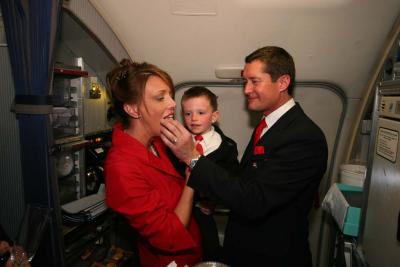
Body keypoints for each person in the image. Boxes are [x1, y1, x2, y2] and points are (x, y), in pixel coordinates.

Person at [160, 46, 328, 267]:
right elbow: (245, 180)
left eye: (255, 81)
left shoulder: (303, 137)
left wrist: (192, 157)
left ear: (283, 82)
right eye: (245, 82)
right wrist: (215, 199)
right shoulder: (268, 124)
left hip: (272, 256)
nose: (246, 90)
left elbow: (255, 200)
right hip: (246, 249)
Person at [104, 59, 202, 267]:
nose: (173, 104)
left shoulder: (157, 139)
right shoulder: (121, 168)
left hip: (191, 247)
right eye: (160, 98)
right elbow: (168, 236)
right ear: (133, 109)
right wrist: (192, 174)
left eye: (170, 95)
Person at [180, 86, 239, 261]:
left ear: (214, 116)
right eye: (188, 113)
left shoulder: (226, 147)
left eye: (200, 112)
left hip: (203, 211)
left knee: (208, 251)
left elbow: (232, 180)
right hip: (178, 208)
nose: (194, 118)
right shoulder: (177, 142)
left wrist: (214, 200)